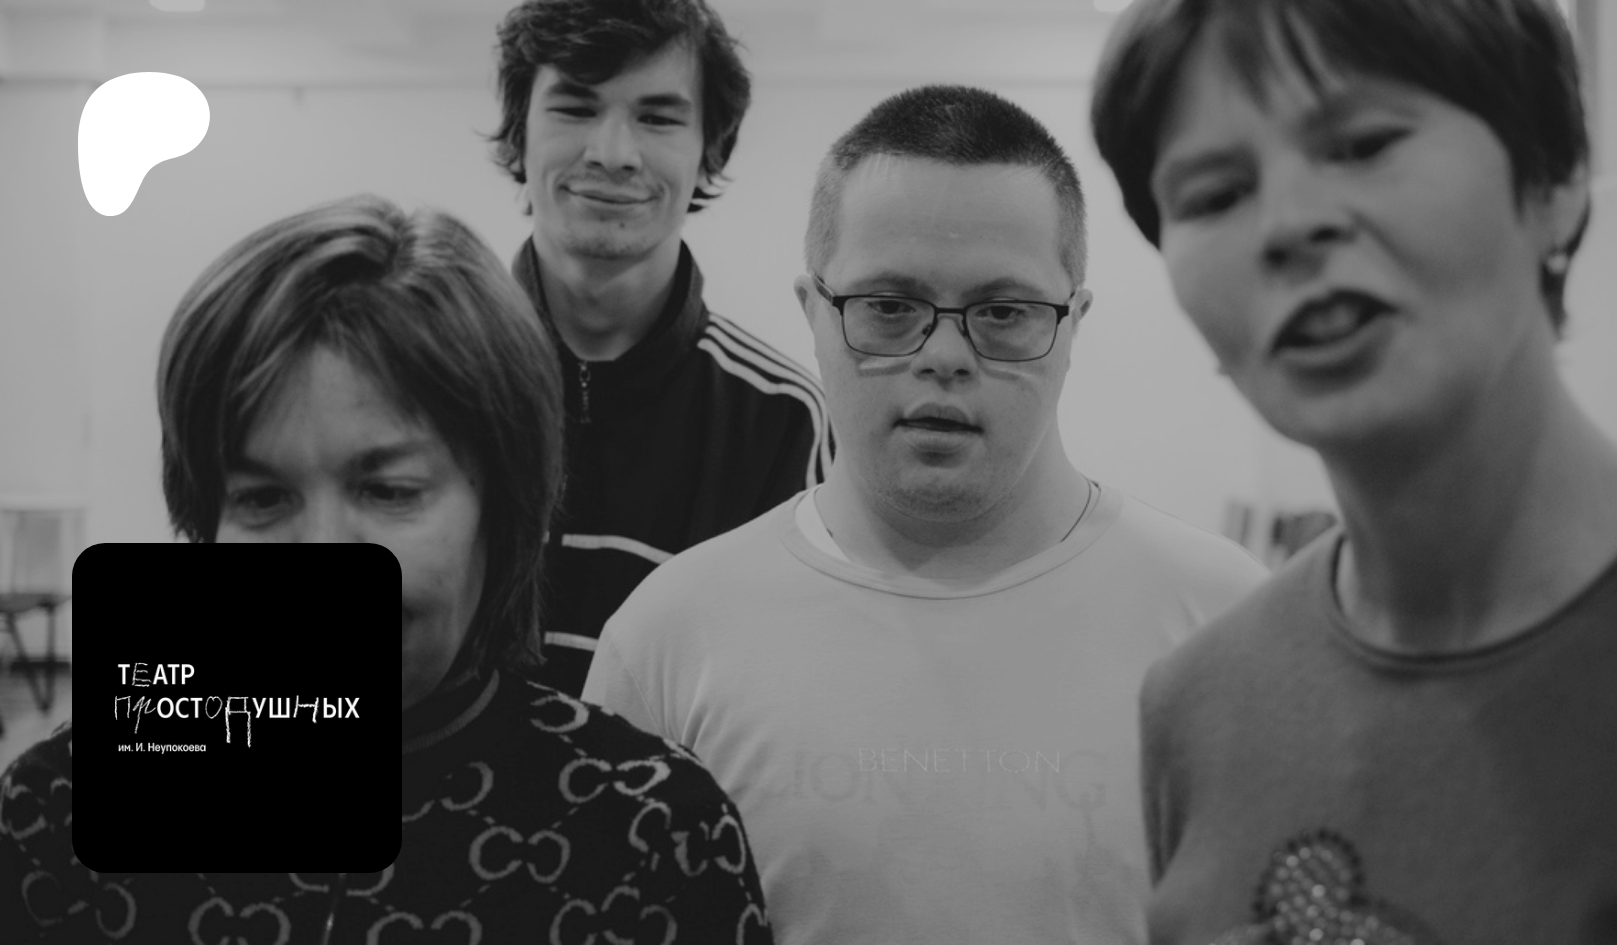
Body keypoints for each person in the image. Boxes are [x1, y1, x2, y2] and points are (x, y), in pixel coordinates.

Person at [1089, 1, 1617, 942]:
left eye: (1364, 145)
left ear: (1555, 180)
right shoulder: (1200, 702)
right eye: (1214, 195)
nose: (1288, 226)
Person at [581, 85, 1267, 944]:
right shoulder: (669, 639)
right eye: (889, 307)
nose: (944, 354)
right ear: (813, 312)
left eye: (1004, 313)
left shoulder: (1226, 629)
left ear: (1074, 323)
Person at [0, 196, 773, 943]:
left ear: (507, 510)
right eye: (263, 498)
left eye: (389, 490)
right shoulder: (56, 816)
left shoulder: (650, 838)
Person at [489, 0, 831, 695]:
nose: (613, 153)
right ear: (520, 136)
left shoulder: (783, 418)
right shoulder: (427, 377)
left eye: (658, 117)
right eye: (576, 108)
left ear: (709, 152)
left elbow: (785, 695)